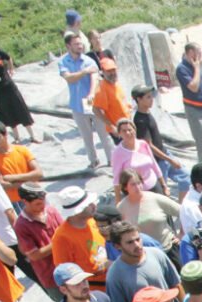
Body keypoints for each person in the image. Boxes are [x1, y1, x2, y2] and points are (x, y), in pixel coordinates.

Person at [57, 33, 113, 169]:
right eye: (76, 44)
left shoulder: (88, 61)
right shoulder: (63, 62)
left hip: (93, 103)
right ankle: (93, 161)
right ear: (68, 46)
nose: (80, 46)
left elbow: (94, 78)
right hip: (77, 105)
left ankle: (112, 160)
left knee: (104, 133)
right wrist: (84, 72)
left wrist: (91, 93)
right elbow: (69, 78)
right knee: (86, 136)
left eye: (80, 43)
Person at [132, 86, 191, 197]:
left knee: (186, 177)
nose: (152, 99)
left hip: (164, 154)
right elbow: (148, 146)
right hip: (157, 161)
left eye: (151, 96)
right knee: (162, 193)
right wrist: (169, 159)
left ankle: (181, 206)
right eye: (148, 97)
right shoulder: (140, 120)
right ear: (139, 99)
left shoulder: (147, 113)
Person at [0, 126, 42, 222]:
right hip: (18, 200)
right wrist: (30, 182)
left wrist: (13, 178)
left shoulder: (22, 150)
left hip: (36, 194)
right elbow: (3, 184)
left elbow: (39, 173)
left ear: (5, 134)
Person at [111, 120, 167, 200]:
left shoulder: (143, 144)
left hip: (152, 184)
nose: (127, 133)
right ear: (119, 133)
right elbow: (116, 178)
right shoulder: (118, 153)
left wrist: (164, 185)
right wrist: (118, 200)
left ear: (134, 130)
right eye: (124, 131)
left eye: (130, 130)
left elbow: (154, 164)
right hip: (135, 191)